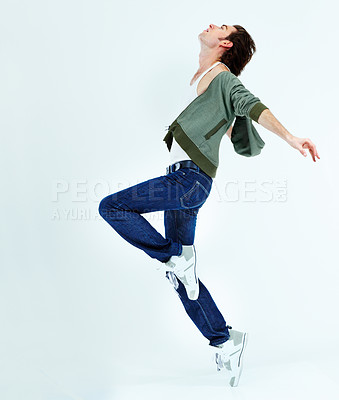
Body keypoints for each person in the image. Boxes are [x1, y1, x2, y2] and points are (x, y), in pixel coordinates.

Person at [98, 23, 320, 387]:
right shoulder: (205, 79)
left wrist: (291, 138)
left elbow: (252, 105)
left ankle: (172, 254)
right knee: (185, 283)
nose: (212, 25)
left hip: (187, 182)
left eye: (222, 26)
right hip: (188, 181)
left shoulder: (222, 77)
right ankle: (225, 340)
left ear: (224, 43)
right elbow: (231, 122)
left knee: (113, 207)